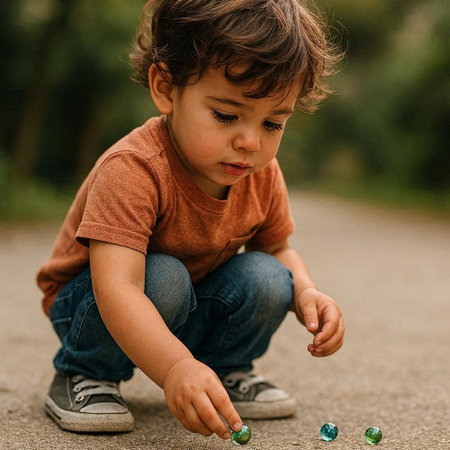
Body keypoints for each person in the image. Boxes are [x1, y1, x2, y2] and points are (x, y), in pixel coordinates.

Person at [37, 0, 345, 440]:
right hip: (93, 305)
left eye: (274, 123)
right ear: (165, 88)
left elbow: (276, 250)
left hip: (187, 302)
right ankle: (82, 371)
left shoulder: (260, 175)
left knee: (270, 276)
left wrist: (308, 294)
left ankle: (222, 374)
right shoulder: (134, 168)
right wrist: (175, 367)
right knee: (164, 276)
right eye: (226, 115)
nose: (249, 142)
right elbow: (117, 287)